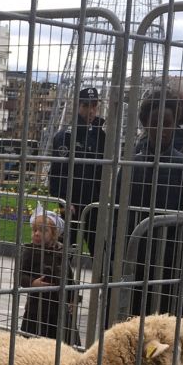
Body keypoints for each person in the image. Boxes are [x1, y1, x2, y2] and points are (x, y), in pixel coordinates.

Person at [122, 88, 183, 326]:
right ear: (145, 123)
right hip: (135, 258)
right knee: (130, 325)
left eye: (168, 123)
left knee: (162, 327)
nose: (161, 129)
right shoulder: (132, 163)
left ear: (176, 124)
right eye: (155, 123)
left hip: (169, 263)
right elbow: (116, 214)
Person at [48, 85, 106, 257]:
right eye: (86, 106)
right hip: (71, 204)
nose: (91, 111)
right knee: (65, 251)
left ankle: (103, 283)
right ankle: (61, 282)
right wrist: (64, 200)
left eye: (94, 106)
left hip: (93, 202)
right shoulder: (66, 135)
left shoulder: (100, 134)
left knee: (100, 250)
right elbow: (57, 173)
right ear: (78, 106)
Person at [18, 207, 77, 344]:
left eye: (43, 230)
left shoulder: (61, 252)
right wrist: (32, 283)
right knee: (33, 342)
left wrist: (73, 298)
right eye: (34, 230)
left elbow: (69, 277)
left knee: (64, 341)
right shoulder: (30, 251)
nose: (37, 234)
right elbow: (20, 274)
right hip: (36, 306)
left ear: (54, 234)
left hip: (59, 306)